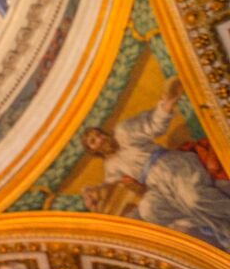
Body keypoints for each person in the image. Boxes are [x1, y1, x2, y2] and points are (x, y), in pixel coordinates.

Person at [80, 79, 230, 248]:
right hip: (154, 184)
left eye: (99, 134)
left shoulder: (123, 132)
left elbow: (152, 124)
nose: (100, 139)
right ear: (93, 151)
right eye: (94, 141)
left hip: (170, 165)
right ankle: (199, 225)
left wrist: (167, 104)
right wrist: (93, 197)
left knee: (194, 200)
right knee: (148, 211)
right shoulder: (110, 168)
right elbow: (111, 192)